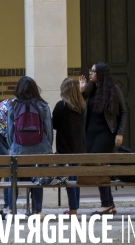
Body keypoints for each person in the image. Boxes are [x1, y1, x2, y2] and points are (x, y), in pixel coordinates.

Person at [79, 62, 127, 216]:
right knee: (100, 167)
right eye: (90, 70)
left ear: (101, 74)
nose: (90, 73)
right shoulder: (90, 89)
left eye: (93, 71)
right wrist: (81, 90)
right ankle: (110, 204)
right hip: (91, 134)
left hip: (106, 134)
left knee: (100, 167)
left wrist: (120, 133)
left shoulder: (113, 90)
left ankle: (106, 204)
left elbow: (124, 112)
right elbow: (78, 106)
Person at [7, 76, 53, 219]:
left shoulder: (14, 105)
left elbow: (9, 131)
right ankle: (37, 211)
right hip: (40, 149)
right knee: (37, 176)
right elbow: (48, 130)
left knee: (12, 177)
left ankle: (11, 209)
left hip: (18, 150)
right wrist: (47, 147)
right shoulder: (42, 105)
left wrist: (13, 146)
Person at [52, 78, 86, 218]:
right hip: (79, 147)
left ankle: (73, 210)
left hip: (64, 148)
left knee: (69, 179)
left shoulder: (61, 105)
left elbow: (54, 124)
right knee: (75, 177)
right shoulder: (82, 106)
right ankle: (74, 207)